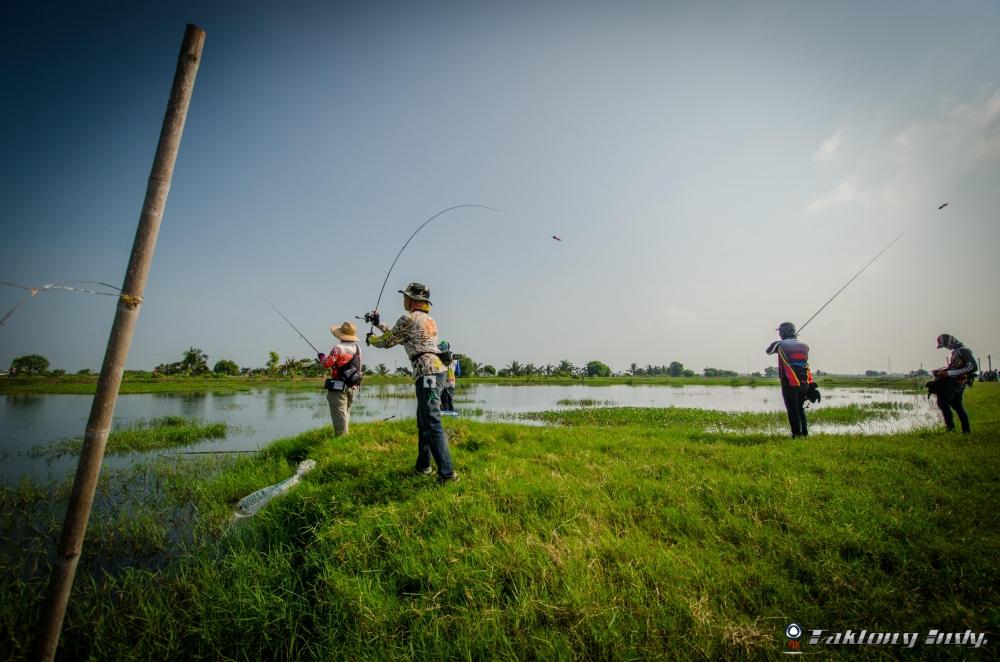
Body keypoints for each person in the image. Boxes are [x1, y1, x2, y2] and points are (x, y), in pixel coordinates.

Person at [366, 282, 459, 484]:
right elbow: (401, 336)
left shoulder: (408, 318)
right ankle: (423, 465)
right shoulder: (429, 319)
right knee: (424, 419)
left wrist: (372, 339)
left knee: (432, 421)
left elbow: (387, 341)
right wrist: (379, 324)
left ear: (412, 300)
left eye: (405, 297)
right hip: (438, 371)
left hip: (427, 373)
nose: (403, 300)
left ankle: (447, 474)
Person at [765, 322, 815, 438]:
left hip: (789, 383)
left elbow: (768, 351)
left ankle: (796, 435)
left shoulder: (779, 344)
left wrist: (782, 341)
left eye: (780, 332)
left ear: (783, 332)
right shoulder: (805, 345)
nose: (779, 334)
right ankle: (804, 433)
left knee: (792, 410)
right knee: (800, 409)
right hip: (805, 384)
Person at [318, 321, 363, 437]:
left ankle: (342, 440)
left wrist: (322, 357)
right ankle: (345, 437)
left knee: (339, 413)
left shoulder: (338, 348)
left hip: (339, 386)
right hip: (353, 386)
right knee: (346, 412)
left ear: (341, 335)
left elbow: (326, 364)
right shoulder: (358, 349)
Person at [931, 333, 975, 433]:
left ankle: (951, 428)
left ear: (949, 342)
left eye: (945, 345)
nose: (946, 348)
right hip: (956, 382)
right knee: (956, 405)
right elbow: (954, 367)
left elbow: (972, 367)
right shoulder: (955, 351)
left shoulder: (963, 350)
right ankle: (966, 430)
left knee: (942, 402)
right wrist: (941, 371)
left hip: (957, 382)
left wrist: (948, 373)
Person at [439, 340, 457, 414]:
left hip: (444, 382)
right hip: (452, 382)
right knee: (450, 399)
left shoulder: (440, 357)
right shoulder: (455, 358)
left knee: (444, 398)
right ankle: (452, 414)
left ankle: (446, 415)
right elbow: (458, 372)